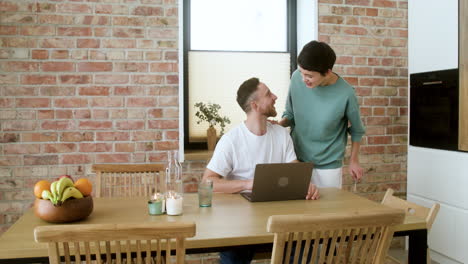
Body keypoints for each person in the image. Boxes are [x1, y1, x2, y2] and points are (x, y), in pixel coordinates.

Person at [202, 77, 319, 264]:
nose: (275, 96)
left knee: (302, 244)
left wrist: (305, 182)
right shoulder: (231, 140)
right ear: (255, 105)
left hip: (277, 222)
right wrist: (249, 184)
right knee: (233, 256)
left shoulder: (281, 134)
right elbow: (208, 182)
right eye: (268, 94)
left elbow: (293, 165)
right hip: (240, 226)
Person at [278, 40, 366, 189]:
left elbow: (357, 130)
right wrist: (276, 126)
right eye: (301, 73)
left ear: (327, 72)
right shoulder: (296, 79)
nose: (303, 79)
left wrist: (354, 160)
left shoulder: (346, 93)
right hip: (296, 160)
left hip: (328, 166)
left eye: (309, 76)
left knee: (327, 210)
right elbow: (290, 114)